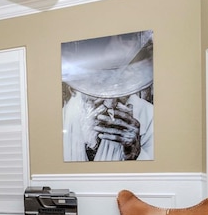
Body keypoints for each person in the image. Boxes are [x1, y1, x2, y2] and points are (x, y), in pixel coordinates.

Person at [62, 32, 154, 162]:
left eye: (120, 90)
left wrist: (135, 154)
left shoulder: (149, 115)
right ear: (75, 90)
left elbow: (155, 177)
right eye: (99, 88)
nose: (110, 103)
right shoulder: (64, 116)